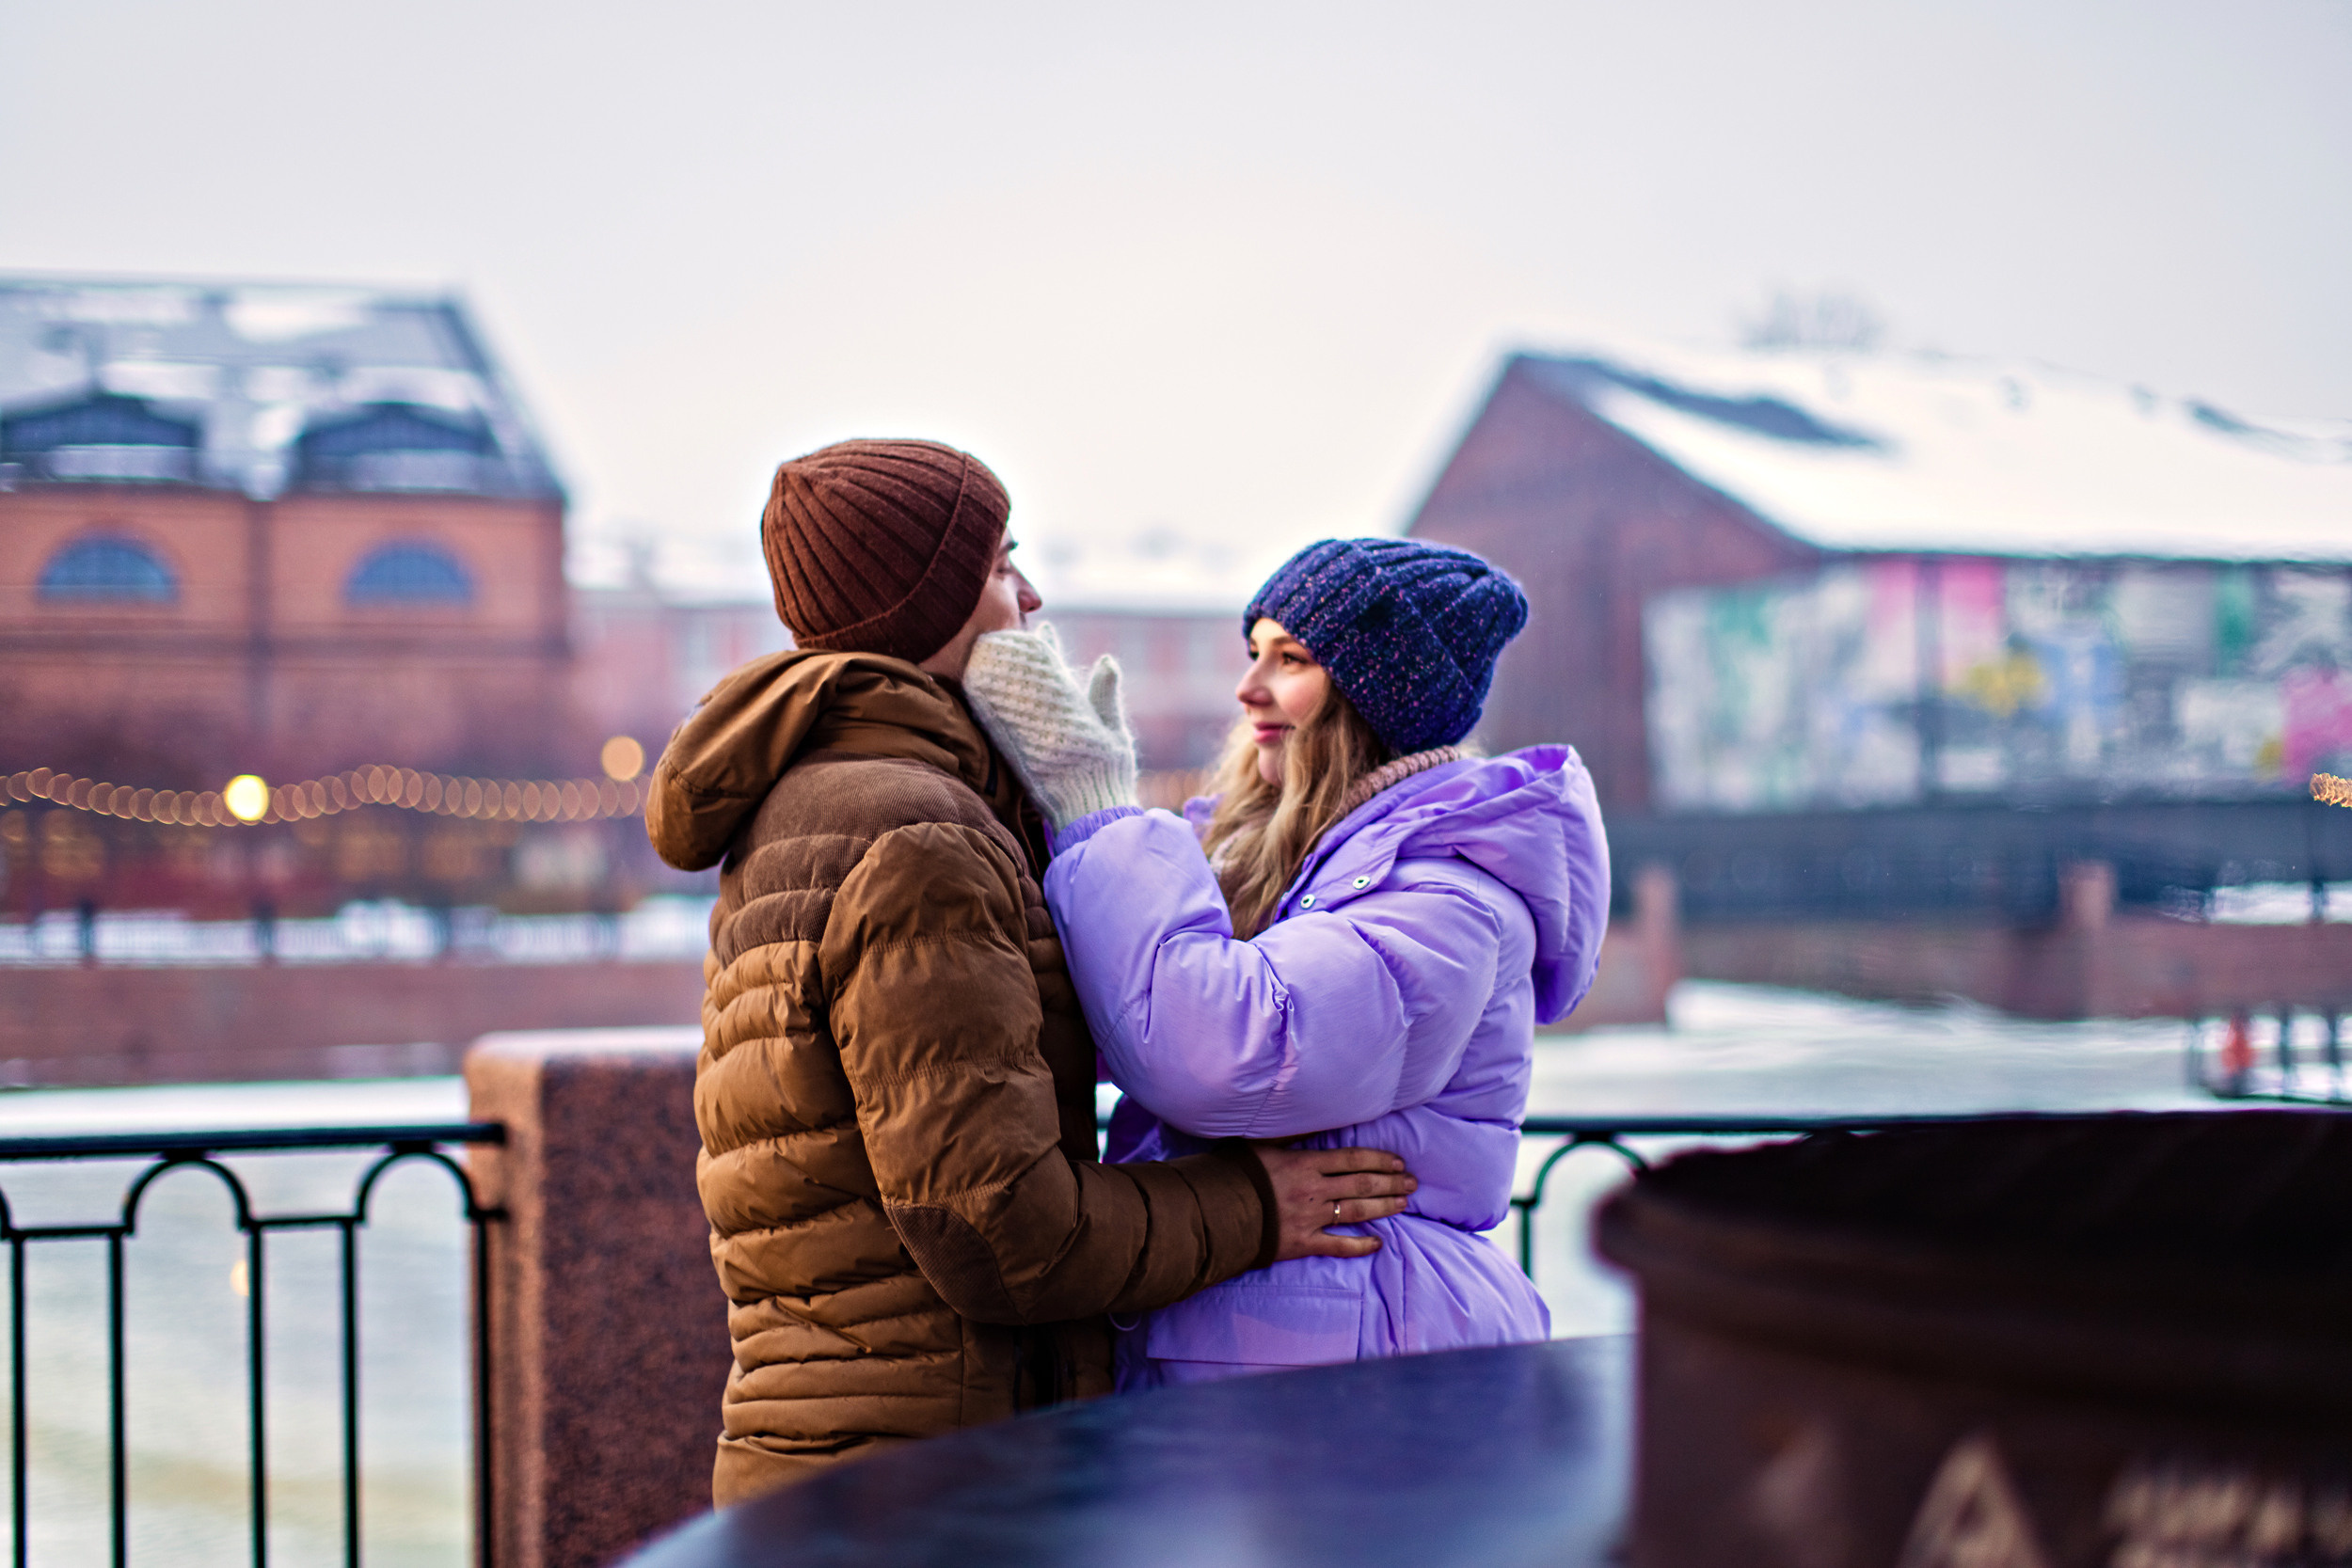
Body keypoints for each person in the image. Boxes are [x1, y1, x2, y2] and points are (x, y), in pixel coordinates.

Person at [645, 442, 1419, 1503]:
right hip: (931, 1484)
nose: (1033, 595)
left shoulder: (823, 796)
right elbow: (1004, 1233)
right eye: (1003, 566)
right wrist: (1253, 1204)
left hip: (857, 1457)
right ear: (929, 606)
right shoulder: (917, 835)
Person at [961, 536, 1610, 1387]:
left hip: (1361, 1357)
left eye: (1292, 657)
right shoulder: (1283, 860)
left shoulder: (1450, 899)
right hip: (1286, 1342)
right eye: (1253, 651)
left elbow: (1224, 1047)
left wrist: (1096, 802)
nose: (1248, 685)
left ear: (1377, 699)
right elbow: (1134, 990)